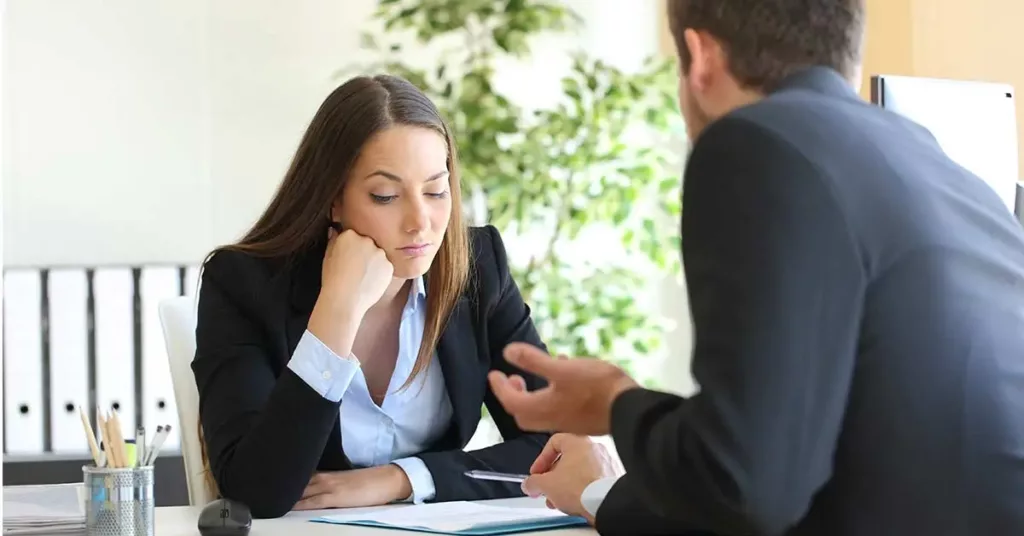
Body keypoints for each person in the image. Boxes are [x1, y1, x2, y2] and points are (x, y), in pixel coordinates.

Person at [488, 0, 1024, 534]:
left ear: (699, 55)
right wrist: (600, 492)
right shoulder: (945, 169)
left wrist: (615, 403)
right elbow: (795, 477)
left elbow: (743, 485)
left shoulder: (755, 140)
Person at [192, 74, 551, 519]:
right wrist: (336, 310)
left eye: (437, 191)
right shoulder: (242, 284)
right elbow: (253, 491)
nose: (421, 222)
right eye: (385, 196)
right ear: (332, 200)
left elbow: (553, 447)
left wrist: (401, 479)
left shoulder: (478, 266)